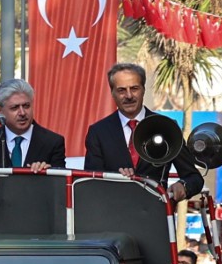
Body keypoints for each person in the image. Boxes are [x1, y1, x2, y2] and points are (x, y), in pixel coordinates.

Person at [83, 62, 203, 199]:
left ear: (143, 89)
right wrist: (115, 178)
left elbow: (194, 178)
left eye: (134, 88)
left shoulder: (167, 127)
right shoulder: (98, 132)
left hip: (155, 213)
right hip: (113, 215)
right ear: (112, 93)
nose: (129, 96)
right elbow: (90, 181)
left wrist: (183, 186)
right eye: (121, 90)